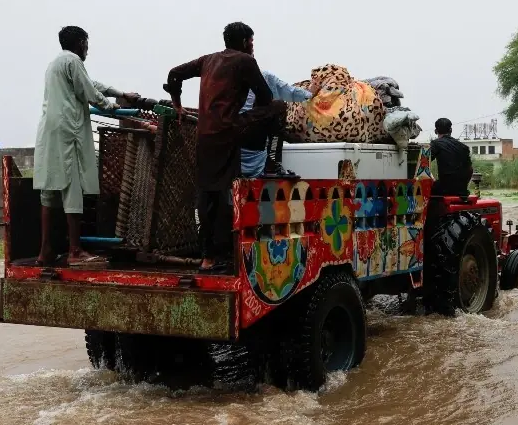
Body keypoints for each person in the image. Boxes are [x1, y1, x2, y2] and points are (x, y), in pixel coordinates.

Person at [164, 22, 287, 272]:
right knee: (278, 107)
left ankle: (207, 257)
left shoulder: (208, 60)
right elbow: (264, 96)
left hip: (206, 135)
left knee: (208, 193)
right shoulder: (245, 61)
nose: (252, 48)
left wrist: (176, 104)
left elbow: (174, 74)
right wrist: (252, 116)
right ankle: (271, 161)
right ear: (244, 43)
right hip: (230, 131)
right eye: (251, 43)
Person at [33, 26, 140, 267]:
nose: (88, 50)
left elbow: (91, 83)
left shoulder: (56, 63)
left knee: (49, 190)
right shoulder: (73, 60)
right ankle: (75, 251)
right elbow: (90, 92)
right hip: (67, 131)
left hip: (50, 131)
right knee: (72, 187)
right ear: (81, 42)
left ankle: (45, 251)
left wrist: (120, 92)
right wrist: (112, 106)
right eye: (87, 44)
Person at [239, 71, 318, 177]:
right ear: (252, 55)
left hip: (227, 146)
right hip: (250, 140)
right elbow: (288, 91)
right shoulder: (262, 75)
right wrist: (309, 93)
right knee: (279, 106)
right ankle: (273, 163)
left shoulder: (221, 77)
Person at [429, 118, 473, 196]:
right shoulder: (464, 147)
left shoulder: (436, 144)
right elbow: (470, 170)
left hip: (444, 189)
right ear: (451, 130)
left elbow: (424, 164)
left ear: (435, 131)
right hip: (462, 190)